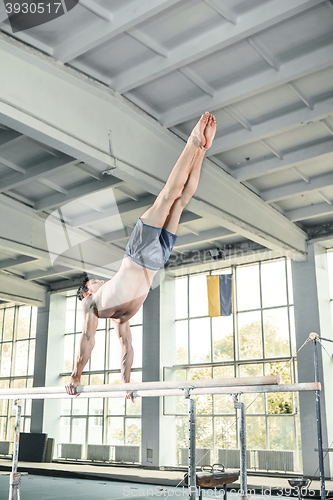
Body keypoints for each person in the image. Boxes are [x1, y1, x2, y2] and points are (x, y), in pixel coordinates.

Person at [65, 112, 217, 399]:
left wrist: (124, 380)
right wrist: (88, 377)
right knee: (173, 199)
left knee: (177, 199)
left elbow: (122, 347)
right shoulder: (93, 304)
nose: (98, 279)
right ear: (85, 291)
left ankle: (198, 146)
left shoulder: (116, 313)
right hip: (147, 258)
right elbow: (90, 339)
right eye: (93, 281)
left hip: (151, 261)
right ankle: (197, 146)